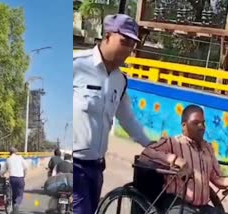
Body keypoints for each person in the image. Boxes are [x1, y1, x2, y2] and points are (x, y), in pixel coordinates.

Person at [73, 14, 151, 214]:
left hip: (97, 168)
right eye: (124, 42)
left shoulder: (120, 81)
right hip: (74, 166)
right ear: (107, 36)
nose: (128, 50)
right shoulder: (76, 65)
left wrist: (153, 148)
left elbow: (128, 120)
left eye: (132, 45)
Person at [139, 104, 228, 214]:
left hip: (202, 207)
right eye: (195, 123)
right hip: (177, 203)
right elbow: (147, 153)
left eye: (203, 123)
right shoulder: (173, 143)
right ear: (184, 125)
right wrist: (174, 159)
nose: (201, 127)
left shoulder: (207, 148)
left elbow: (217, 178)